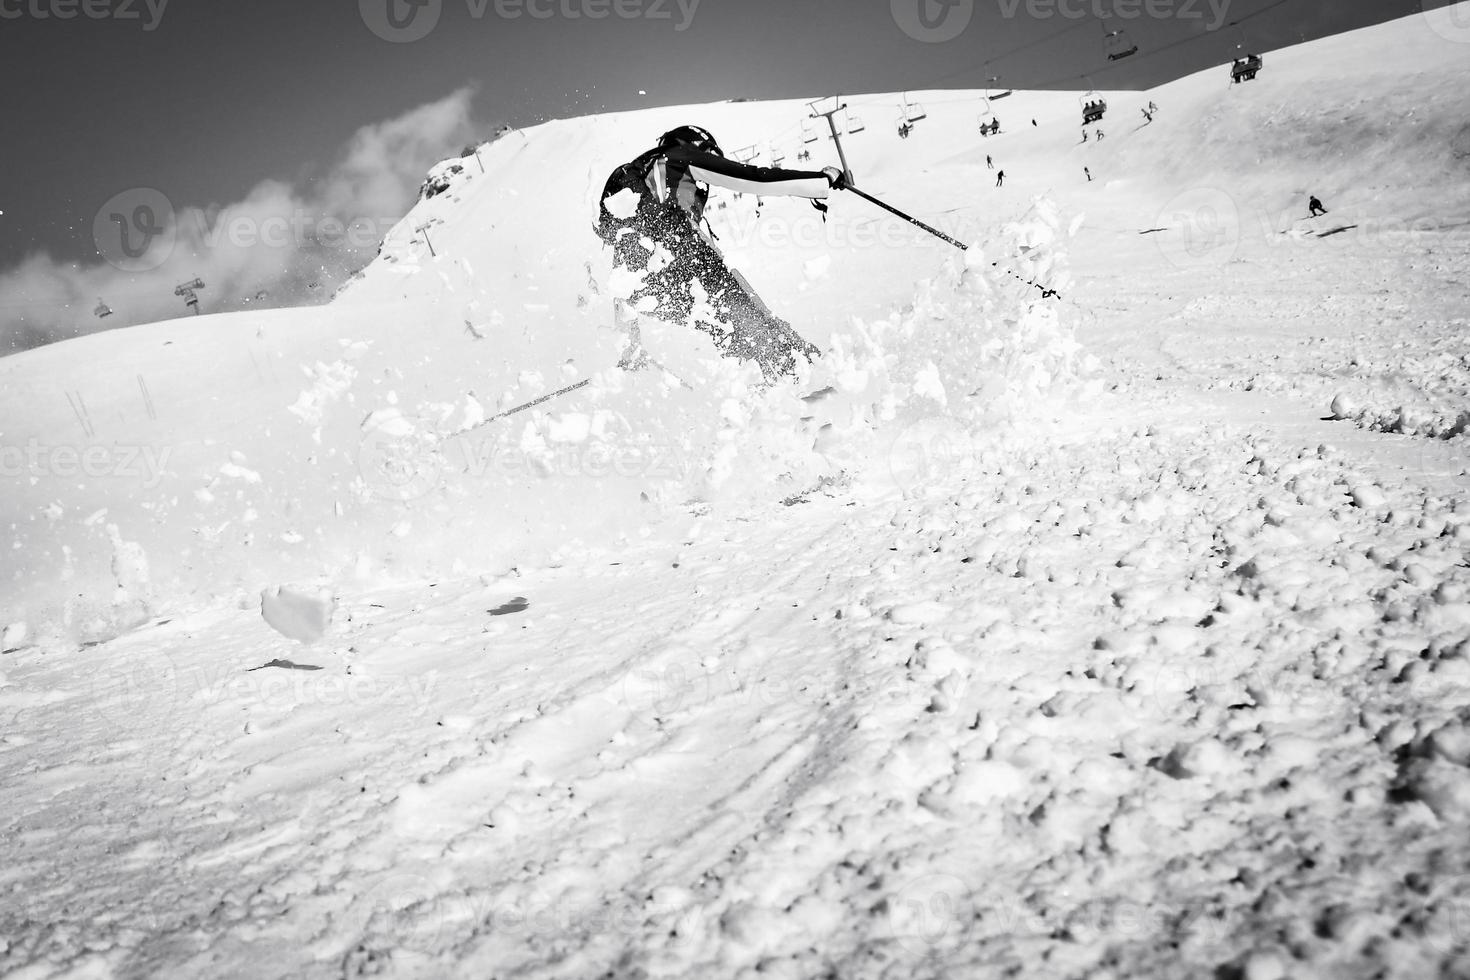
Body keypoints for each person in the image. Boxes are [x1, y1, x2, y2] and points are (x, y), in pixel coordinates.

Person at [596, 125, 843, 380]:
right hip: (684, 258)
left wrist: (629, 345)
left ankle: (760, 388)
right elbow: (753, 178)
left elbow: (624, 275)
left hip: (650, 289)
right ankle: (812, 377)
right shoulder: (678, 155)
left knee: (727, 328)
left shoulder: (633, 178)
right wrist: (820, 181)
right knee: (755, 323)